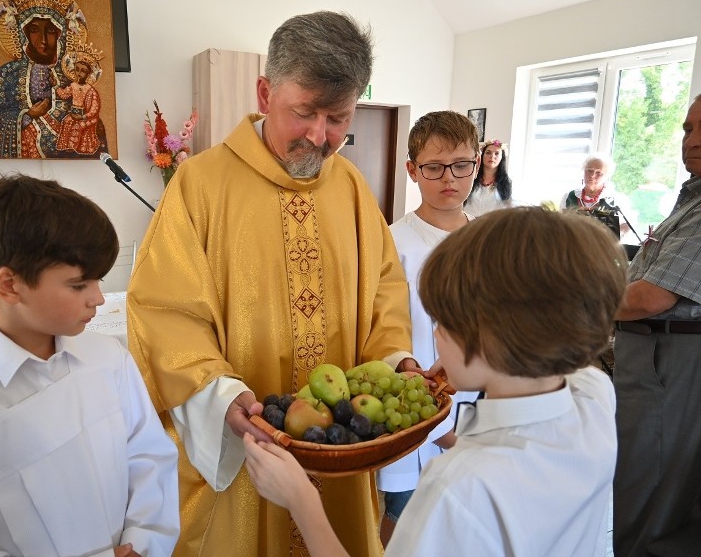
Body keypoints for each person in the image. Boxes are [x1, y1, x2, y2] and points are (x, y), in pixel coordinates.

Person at [127, 11, 416, 557]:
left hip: (341, 451)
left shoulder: (352, 189)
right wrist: (221, 394)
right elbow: (164, 309)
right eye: (304, 112)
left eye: (338, 118)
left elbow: (385, 290)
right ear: (264, 92)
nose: (319, 135)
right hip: (248, 445)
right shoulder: (200, 185)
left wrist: (394, 359)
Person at [245, 206, 627, 557]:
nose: (437, 337)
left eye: (443, 323)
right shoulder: (593, 395)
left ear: (487, 339)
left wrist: (301, 501)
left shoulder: (458, 489)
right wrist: (478, 363)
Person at [0, 175, 180, 556]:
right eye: (79, 285)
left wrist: (144, 542)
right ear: (10, 286)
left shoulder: (108, 359)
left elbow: (148, 455)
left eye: (98, 281)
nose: (98, 298)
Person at [377, 110, 481, 546]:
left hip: (478, 410)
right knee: (404, 519)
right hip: (414, 407)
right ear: (412, 170)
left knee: (461, 520)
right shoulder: (391, 242)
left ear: (477, 163)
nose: (449, 179)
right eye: (434, 167)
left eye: (461, 165)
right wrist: (435, 422)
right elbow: (381, 326)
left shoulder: (488, 243)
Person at [612, 93, 701, 557]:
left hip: (668, 362)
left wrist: (562, 302)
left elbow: (648, 297)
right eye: (687, 129)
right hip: (648, 358)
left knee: (647, 487)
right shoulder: (689, 200)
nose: (693, 140)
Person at [0, 0, 106, 158]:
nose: (42, 40)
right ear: (24, 33)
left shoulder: (69, 75)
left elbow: (91, 113)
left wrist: (82, 119)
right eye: (34, 30)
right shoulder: (7, 74)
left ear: (60, 35)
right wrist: (27, 116)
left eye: (49, 31)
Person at [563, 152, 630, 239]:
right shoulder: (569, 197)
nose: (592, 176)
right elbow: (562, 224)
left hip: (602, 249)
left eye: (598, 172)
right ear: (584, 170)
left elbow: (627, 226)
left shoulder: (617, 200)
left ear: (606, 176)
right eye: (589, 170)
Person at [57, 53, 103, 155]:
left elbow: (94, 109)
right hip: (74, 114)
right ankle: (67, 146)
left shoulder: (91, 90)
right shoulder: (73, 85)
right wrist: (55, 86)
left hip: (88, 117)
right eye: (77, 69)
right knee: (66, 121)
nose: (79, 73)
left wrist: (83, 116)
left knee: (78, 126)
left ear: (88, 74)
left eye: (83, 71)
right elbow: (64, 94)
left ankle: (78, 148)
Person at [464, 139, 514, 217]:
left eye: (496, 153)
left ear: (502, 158)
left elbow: (509, 209)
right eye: (488, 153)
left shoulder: (506, 183)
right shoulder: (470, 178)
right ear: (482, 156)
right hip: (469, 224)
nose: (492, 156)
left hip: (492, 225)